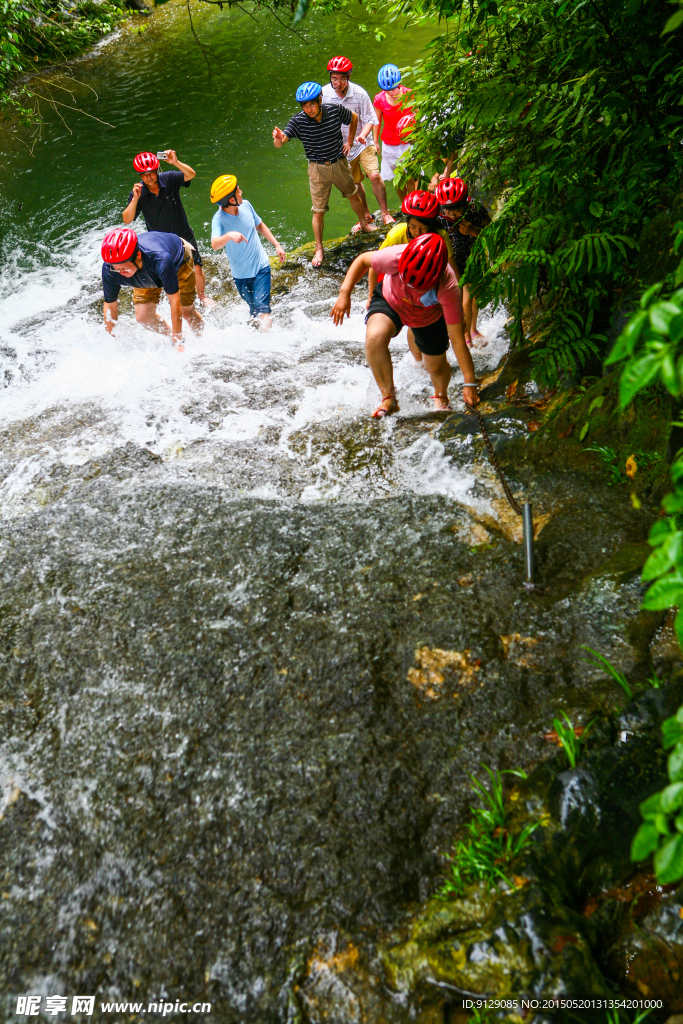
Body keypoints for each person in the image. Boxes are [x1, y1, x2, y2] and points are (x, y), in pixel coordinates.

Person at [331, 233, 479, 417]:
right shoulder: (396, 256)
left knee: (436, 366)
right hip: (390, 300)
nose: (412, 289)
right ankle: (388, 397)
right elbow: (362, 261)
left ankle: (441, 397)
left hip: (427, 317)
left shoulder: (448, 287)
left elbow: (457, 340)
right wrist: (345, 293)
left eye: (420, 286)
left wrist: (469, 382)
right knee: (375, 338)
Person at [273, 82, 370, 268]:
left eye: (311, 104)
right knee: (318, 212)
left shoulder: (334, 110)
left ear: (320, 100)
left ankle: (364, 224)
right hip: (317, 169)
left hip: (339, 162)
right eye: (304, 105)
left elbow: (354, 118)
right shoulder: (298, 121)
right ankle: (319, 248)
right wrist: (278, 139)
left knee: (353, 194)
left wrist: (349, 141)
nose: (308, 109)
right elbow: (281, 142)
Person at [367, 191, 458, 366]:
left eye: (423, 228)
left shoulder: (440, 236)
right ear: (407, 223)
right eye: (413, 227)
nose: (418, 232)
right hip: (395, 277)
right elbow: (373, 265)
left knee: (419, 320)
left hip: (424, 282)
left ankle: (423, 361)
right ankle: (418, 362)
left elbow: (450, 267)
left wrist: (458, 294)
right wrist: (371, 296)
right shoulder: (397, 234)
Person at [122, 151, 209, 304]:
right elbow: (127, 219)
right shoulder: (139, 193)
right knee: (169, 272)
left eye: (151, 173)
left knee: (196, 267)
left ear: (157, 171)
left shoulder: (168, 179)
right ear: (140, 176)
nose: (148, 177)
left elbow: (191, 175)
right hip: (161, 242)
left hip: (183, 234)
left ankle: (202, 297)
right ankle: (172, 300)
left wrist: (175, 162)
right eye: (144, 175)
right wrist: (135, 199)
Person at [321, 56, 394, 231]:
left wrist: (362, 135)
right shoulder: (324, 94)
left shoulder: (359, 93)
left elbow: (371, 119)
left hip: (363, 141)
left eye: (342, 79)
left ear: (349, 77)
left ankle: (385, 214)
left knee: (374, 175)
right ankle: (367, 215)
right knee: (355, 183)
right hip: (341, 147)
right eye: (334, 79)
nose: (338, 83)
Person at [101, 226, 203, 351]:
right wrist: (113, 340)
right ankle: (173, 335)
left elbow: (174, 301)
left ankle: (200, 339)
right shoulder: (110, 269)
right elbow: (110, 306)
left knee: (186, 312)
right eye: (117, 269)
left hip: (178, 261)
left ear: (138, 255)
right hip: (146, 270)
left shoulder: (161, 259)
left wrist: (178, 339)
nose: (121, 273)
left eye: (125, 268)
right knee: (143, 316)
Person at [210, 174, 286, 331]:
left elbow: (260, 225)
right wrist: (229, 235)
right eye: (238, 190)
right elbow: (215, 244)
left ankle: (270, 345)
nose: (241, 191)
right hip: (241, 276)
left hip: (261, 267)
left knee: (262, 308)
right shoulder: (218, 219)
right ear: (231, 199)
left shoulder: (246, 205)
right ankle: (256, 339)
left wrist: (277, 245)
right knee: (254, 311)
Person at [436, 177, 491, 344]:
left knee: (475, 297)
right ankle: (465, 337)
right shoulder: (437, 215)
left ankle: (472, 330)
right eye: (448, 210)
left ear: (465, 204)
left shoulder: (474, 208)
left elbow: (492, 231)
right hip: (449, 262)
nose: (452, 214)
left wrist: (474, 231)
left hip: (472, 257)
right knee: (462, 299)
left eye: (457, 209)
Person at [373, 64, 417, 203]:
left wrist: (420, 135)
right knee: (397, 178)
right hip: (390, 144)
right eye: (386, 90)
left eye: (393, 89)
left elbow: (418, 115)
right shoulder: (380, 99)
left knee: (411, 176)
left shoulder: (409, 94)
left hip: (409, 141)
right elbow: (377, 121)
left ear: (399, 84)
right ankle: (405, 205)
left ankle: (413, 203)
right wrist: (375, 141)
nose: (390, 93)